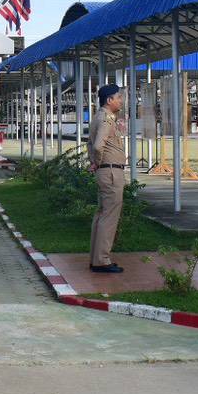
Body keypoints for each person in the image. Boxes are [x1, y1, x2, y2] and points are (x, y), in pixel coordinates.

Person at [88, 84, 128, 274]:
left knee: (101, 215)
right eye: (118, 97)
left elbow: (90, 144)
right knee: (109, 217)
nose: (121, 100)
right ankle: (102, 260)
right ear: (109, 100)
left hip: (105, 172)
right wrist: (96, 161)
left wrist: (94, 163)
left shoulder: (98, 117)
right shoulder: (106, 119)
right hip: (111, 173)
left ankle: (96, 258)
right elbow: (97, 146)